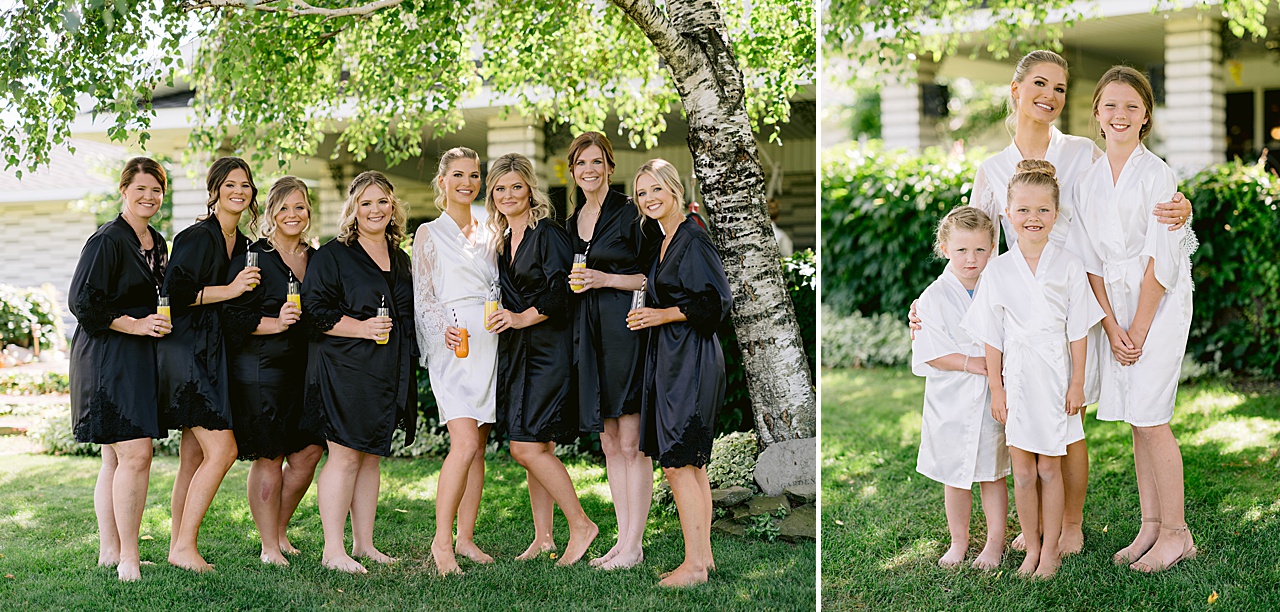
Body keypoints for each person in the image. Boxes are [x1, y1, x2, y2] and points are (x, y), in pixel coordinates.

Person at [914, 49, 1194, 556]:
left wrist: (1182, 206)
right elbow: (973, 245)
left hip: (1081, 301)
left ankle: (1071, 524)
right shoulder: (991, 169)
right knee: (1026, 416)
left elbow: (1130, 200)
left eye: (1060, 88)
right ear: (1016, 90)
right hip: (1024, 307)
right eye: (1040, 84)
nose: (1049, 95)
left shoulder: (1084, 153)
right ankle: (1037, 523)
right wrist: (934, 301)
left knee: (1070, 419)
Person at [1072, 66, 1195, 573]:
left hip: (1157, 304)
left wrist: (1139, 327)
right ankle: (1150, 526)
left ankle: (1177, 534)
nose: (1119, 114)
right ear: (1097, 114)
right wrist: (1110, 324)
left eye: (1131, 106)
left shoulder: (1157, 174)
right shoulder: (1088, 179)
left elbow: (1161, 258)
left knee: (1151, 416)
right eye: (1110, 105)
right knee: (1136, 420)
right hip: (1115, 309)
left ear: (1145, 116)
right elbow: (1088, 260)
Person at [962, 160, 1104, 578]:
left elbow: (1078, 330)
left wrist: (1077, 383)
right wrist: (998, 388)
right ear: (1008, 214)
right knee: (1023, 472)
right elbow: (991, 336)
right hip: (1018, 380)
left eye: (1043, 209)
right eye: (1023, 210)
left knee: (1049, 467)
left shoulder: (1069, 264)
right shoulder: (998, 269)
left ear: (1056, 214)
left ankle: (1052, 550)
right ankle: (1032, 547)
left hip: (1056, 379)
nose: (1033, 218)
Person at [485, 152, 598, 566]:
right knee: (539, 444)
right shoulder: (503, 240)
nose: (508, 195)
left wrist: (520, 317)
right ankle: (544, 537)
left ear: (530, 190)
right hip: (519, 350)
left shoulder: (547, 232)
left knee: (525, 446)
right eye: (500, 188)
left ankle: (582, 525)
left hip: (548, 350)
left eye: (516, 186)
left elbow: (562, 292)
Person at [626, 159, 733, 587]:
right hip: (672, 358)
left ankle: (693, 568)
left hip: (691, 358)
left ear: (674, 189)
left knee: (678, 464)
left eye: (656, 189)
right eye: (642, 193)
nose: (649, 198)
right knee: (691, 465)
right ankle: (704, 560)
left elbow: (715, 302)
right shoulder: (664, 238)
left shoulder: (692, 235)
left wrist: (660, 315)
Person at [305, 170, 418, 574]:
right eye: (366, 203)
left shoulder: (400, 257)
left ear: (393, 206)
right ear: (353, 209)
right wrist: (362, 328)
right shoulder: (333, 255)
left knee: (370, 457)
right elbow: (313, 312)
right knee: (345, 456)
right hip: (344, 368)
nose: (375, 210)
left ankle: (364, 544)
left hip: (386, 371)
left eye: (382, 201)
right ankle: (332, 550)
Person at [68, 157, 172, 581]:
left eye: (156, 190)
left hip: (138, 356)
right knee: (135, 453)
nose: (149, 196)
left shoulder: (157, 242)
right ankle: (129, 556)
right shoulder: (107, 240)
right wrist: (136, 324)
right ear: (124, 191)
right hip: (106, 357)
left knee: (115, 457)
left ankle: (110, 551)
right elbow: (82, 301)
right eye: (140, 188)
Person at [159, 156, 261, 572]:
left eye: (245, 185)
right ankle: (185, 547)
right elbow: (174, 293)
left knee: (193, 456)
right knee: (223, 449)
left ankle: (177, 546)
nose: (239, 191)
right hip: (186, 354)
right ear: (215, 190)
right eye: (230, 184)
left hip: (214, 354)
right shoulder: (197, 236)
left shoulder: (244, 244)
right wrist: (231, 289)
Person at [564, 132, 660, 570]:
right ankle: (622, 542)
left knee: (631, 441)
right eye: (581, 163)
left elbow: (651, 276)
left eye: (596, 162)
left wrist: (605, 279)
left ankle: (634, 545)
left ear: (609, 166)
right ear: (572, 170)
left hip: (626, 333)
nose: (589, 170)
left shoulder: (629, 213)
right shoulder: (572, 222)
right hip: (590, 337)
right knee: (608, 442)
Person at [223, 176, 323, 565]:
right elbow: (232, 316)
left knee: (308, 452)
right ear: (271, 213)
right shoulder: (255, 256)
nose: (292, 214)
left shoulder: (316, 258)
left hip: (305, 369)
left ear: (309, 211)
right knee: (270, 455)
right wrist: (275, 323)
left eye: (299, 207)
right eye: (284, 208)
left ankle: (279, 530)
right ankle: (268, 546)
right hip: (263, 370)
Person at [412, 147, 499, 575]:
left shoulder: (491, 230)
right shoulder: (428, 232)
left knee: (477, 447)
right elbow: (423, 295)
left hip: (489, 340)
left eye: (474, 175)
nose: (468, 183)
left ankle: (465, 538)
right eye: (459, 175)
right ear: (442, 181)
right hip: (454, 343)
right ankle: (441, 542)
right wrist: (440, 329)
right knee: (463, 443)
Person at [912, 206, 1008, 570]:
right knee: (954, 476)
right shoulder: (933, 296)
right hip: (950, 397)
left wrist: (992, 368)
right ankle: (959, 542)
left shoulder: (998, 286)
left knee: (992, 473)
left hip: (991, 395)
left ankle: (995, 544)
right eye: (962, 250)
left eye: (980, 250)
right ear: (944, 249)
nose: (972, 259)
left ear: (992, 248)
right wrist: (973, 363)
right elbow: (931, 351)